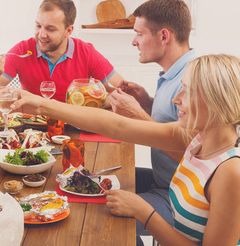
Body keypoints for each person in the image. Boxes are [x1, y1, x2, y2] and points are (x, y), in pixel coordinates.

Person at [12, 54, 240, 245]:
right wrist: (40, 104)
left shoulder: (230, 171)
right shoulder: (198, 139)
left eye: (187, 92)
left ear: (215, 100)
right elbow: (117, 125)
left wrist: (144, 212)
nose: (176, 99)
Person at [108, 0, 197, 244]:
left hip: (180, 199)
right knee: (93, 183)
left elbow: (195, 159)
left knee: (106, 217)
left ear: (164, 36)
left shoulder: (192, 79)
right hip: (163, 182)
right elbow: (172, 126)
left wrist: (137, 116)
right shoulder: (174, 72)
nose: (134, 41)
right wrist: (147, 103)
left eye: (139, 33)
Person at [0, 0, 123, 102]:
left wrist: (90, 101)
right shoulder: (22, 51)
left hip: (73, 127)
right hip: (32, 129)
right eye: (38, 26)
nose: (42, 35)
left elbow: (122, 94)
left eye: (50, 29)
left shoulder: (86, 53)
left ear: (68, 31)